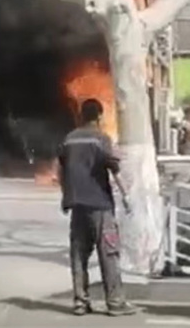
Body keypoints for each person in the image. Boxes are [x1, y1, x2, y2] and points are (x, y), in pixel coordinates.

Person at [57, 98, 136, 317]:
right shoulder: (101, 139)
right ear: (99, 116)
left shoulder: (69, 139)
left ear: (81, 116)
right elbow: (114, 169)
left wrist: (66, 197)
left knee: (79, 254)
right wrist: (126, 195)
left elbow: (61, 171)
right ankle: (115, 302)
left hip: (77, 206)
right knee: (108, 253)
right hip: (100, 205)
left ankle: (80, 302)